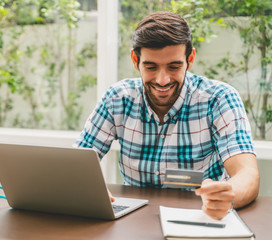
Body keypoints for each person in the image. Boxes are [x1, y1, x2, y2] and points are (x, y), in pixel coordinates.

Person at [74, 11, 259, 220]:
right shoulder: (118, 99)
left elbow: (247, 175)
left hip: (199, 218)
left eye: (174, 66)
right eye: (151, 67)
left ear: (190, 59)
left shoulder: (219, 99)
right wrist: (89, 190)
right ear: (135, 60)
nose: (162, 80)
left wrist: (227, 197)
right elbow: (75, 163)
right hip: (133, 223)